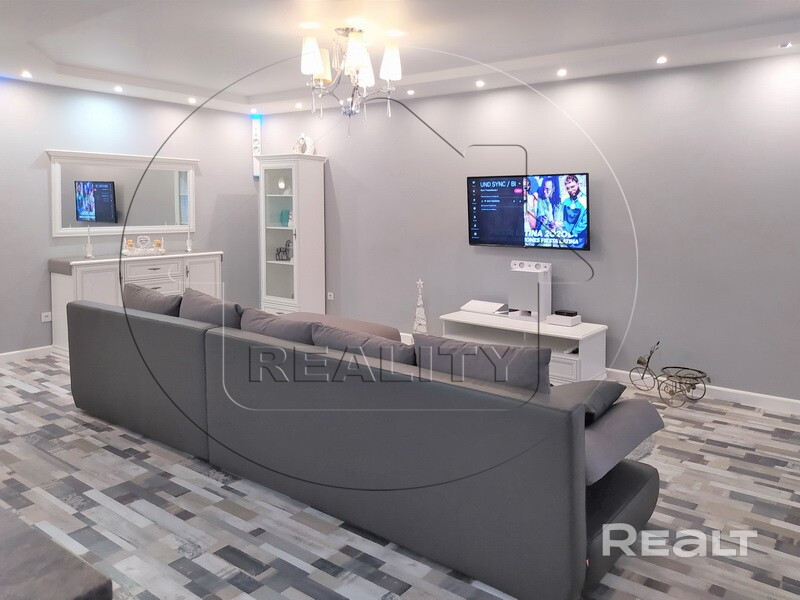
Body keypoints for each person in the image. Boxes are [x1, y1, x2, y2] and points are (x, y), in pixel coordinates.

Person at [561, 174, 587, 247]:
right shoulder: (565, 201)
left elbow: (584, 223)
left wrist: (572, 233)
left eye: (572, 187)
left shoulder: (585, 200)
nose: (570, 190)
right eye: (568, 188)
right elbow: (563, 220)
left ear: (578, 184)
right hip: (566, 240)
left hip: (579, 242)